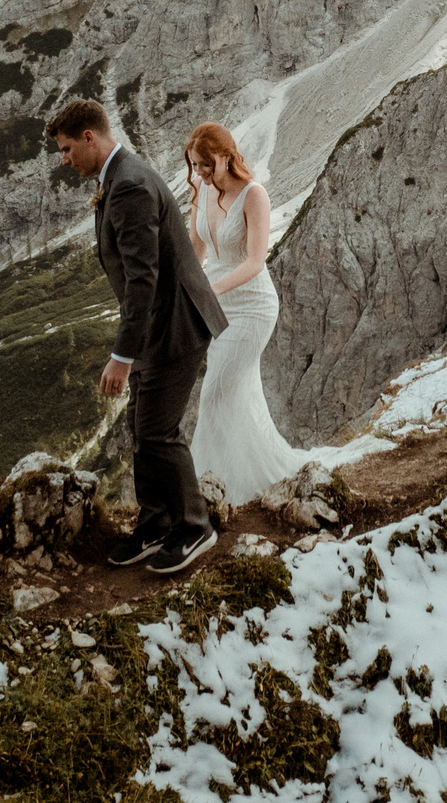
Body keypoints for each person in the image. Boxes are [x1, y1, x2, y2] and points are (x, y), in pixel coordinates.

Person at [48, 98, 227, 574]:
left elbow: (143, 278)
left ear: (89, 137)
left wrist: (121, 356)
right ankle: (155, 523)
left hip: (177, 325)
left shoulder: (127, 184)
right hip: (159, 325)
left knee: (158, 431)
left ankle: (194, 526)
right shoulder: (119, 175)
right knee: (139, 423)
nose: (64, 160)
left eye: (66, 149)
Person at [183, 123, 308, 505]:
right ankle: (243, 480)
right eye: (194, 165)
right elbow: (196, 247)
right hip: (217, 309)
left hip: (253, 307)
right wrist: (185, 286)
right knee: (237, 397)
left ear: (226, 156)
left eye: (206, 164)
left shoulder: (254, 195)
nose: (199, 172)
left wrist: (210, 290)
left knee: (214, 394)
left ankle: (208, 489)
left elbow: (255, 261)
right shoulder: (201, 187)